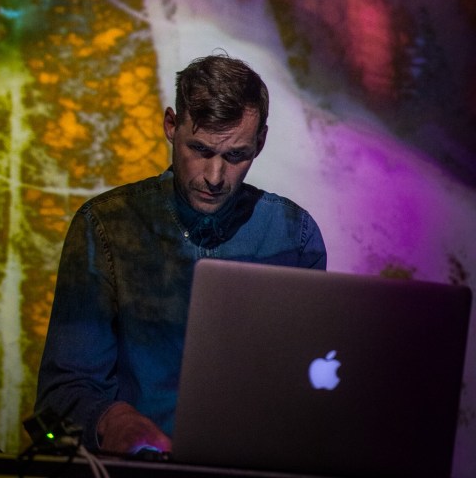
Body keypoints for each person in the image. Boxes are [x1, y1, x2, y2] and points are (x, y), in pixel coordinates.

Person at [34, 53, 326, 454]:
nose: (215, 177)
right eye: (200, 150)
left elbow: (309, 385)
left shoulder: (295, 235)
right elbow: (62, 393)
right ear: (171, 126)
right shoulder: (107, 226)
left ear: (260, 142)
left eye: (235, 155)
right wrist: (113, 421)